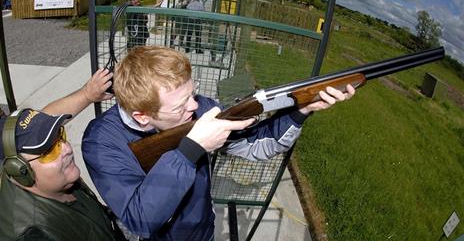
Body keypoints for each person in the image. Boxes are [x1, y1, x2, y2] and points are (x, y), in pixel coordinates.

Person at [82, 46, 355, 240]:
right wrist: (190, 149)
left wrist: (301, 109)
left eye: (193, 93)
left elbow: (259, 145)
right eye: (181, 105)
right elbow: (140, 220)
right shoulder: (102, 141)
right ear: (142, 116)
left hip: (204, 230)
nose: (195, 106)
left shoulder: (200, 108)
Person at [0, 69, 126, 240]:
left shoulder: (54, 177)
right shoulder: (33, 235)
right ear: (20, 170)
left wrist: (87, 94)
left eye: (60, 136)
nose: (66, 148)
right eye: (48, 151)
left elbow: (45, 118)